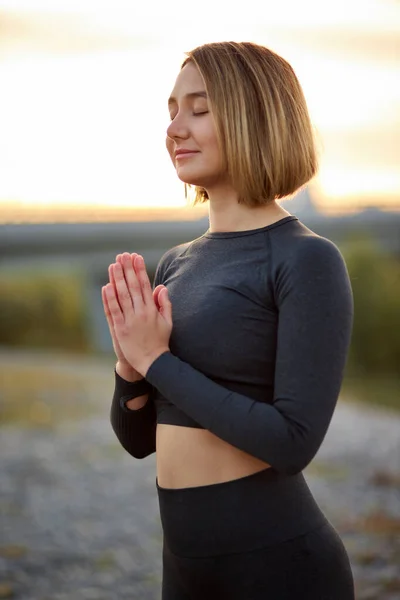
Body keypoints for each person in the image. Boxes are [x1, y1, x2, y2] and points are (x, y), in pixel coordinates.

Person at [101, 41, 355, 599]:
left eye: (199, 107)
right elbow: (140, 441)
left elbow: (292, 443)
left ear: (253, 115)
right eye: (171, 110)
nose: (174, 128)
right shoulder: (177, 261)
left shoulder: (306, 259)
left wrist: (155, 360)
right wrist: (129, 367)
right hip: (186, 571)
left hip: (279, 567)